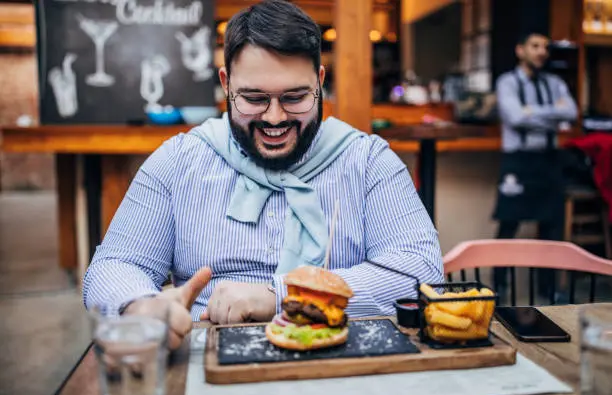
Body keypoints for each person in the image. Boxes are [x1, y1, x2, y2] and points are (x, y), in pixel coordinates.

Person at [82, 0, 443, 350]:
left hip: (342, 362)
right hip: (208, 363)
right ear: (226, 84)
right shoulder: (178, 162)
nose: (274, 118)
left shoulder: (367, 162)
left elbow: (422, 272)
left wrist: (284, 295)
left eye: (295, 97)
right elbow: (115, 264)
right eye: (253, 98)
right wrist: (141, 306)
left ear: (320, 81)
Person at [492, 31, 578, 295]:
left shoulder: (554, 82)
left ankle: (549, 290)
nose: (542, 51)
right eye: (535, 46)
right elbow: (516, 117)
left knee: (552, 227)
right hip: (518, 162)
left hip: (549, 160)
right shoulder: (507, 82)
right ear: (521, 50)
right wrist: (553, 114)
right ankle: (499, 288)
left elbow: (571, 113)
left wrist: (533, 112)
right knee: (509, 225)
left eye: (545, 47)